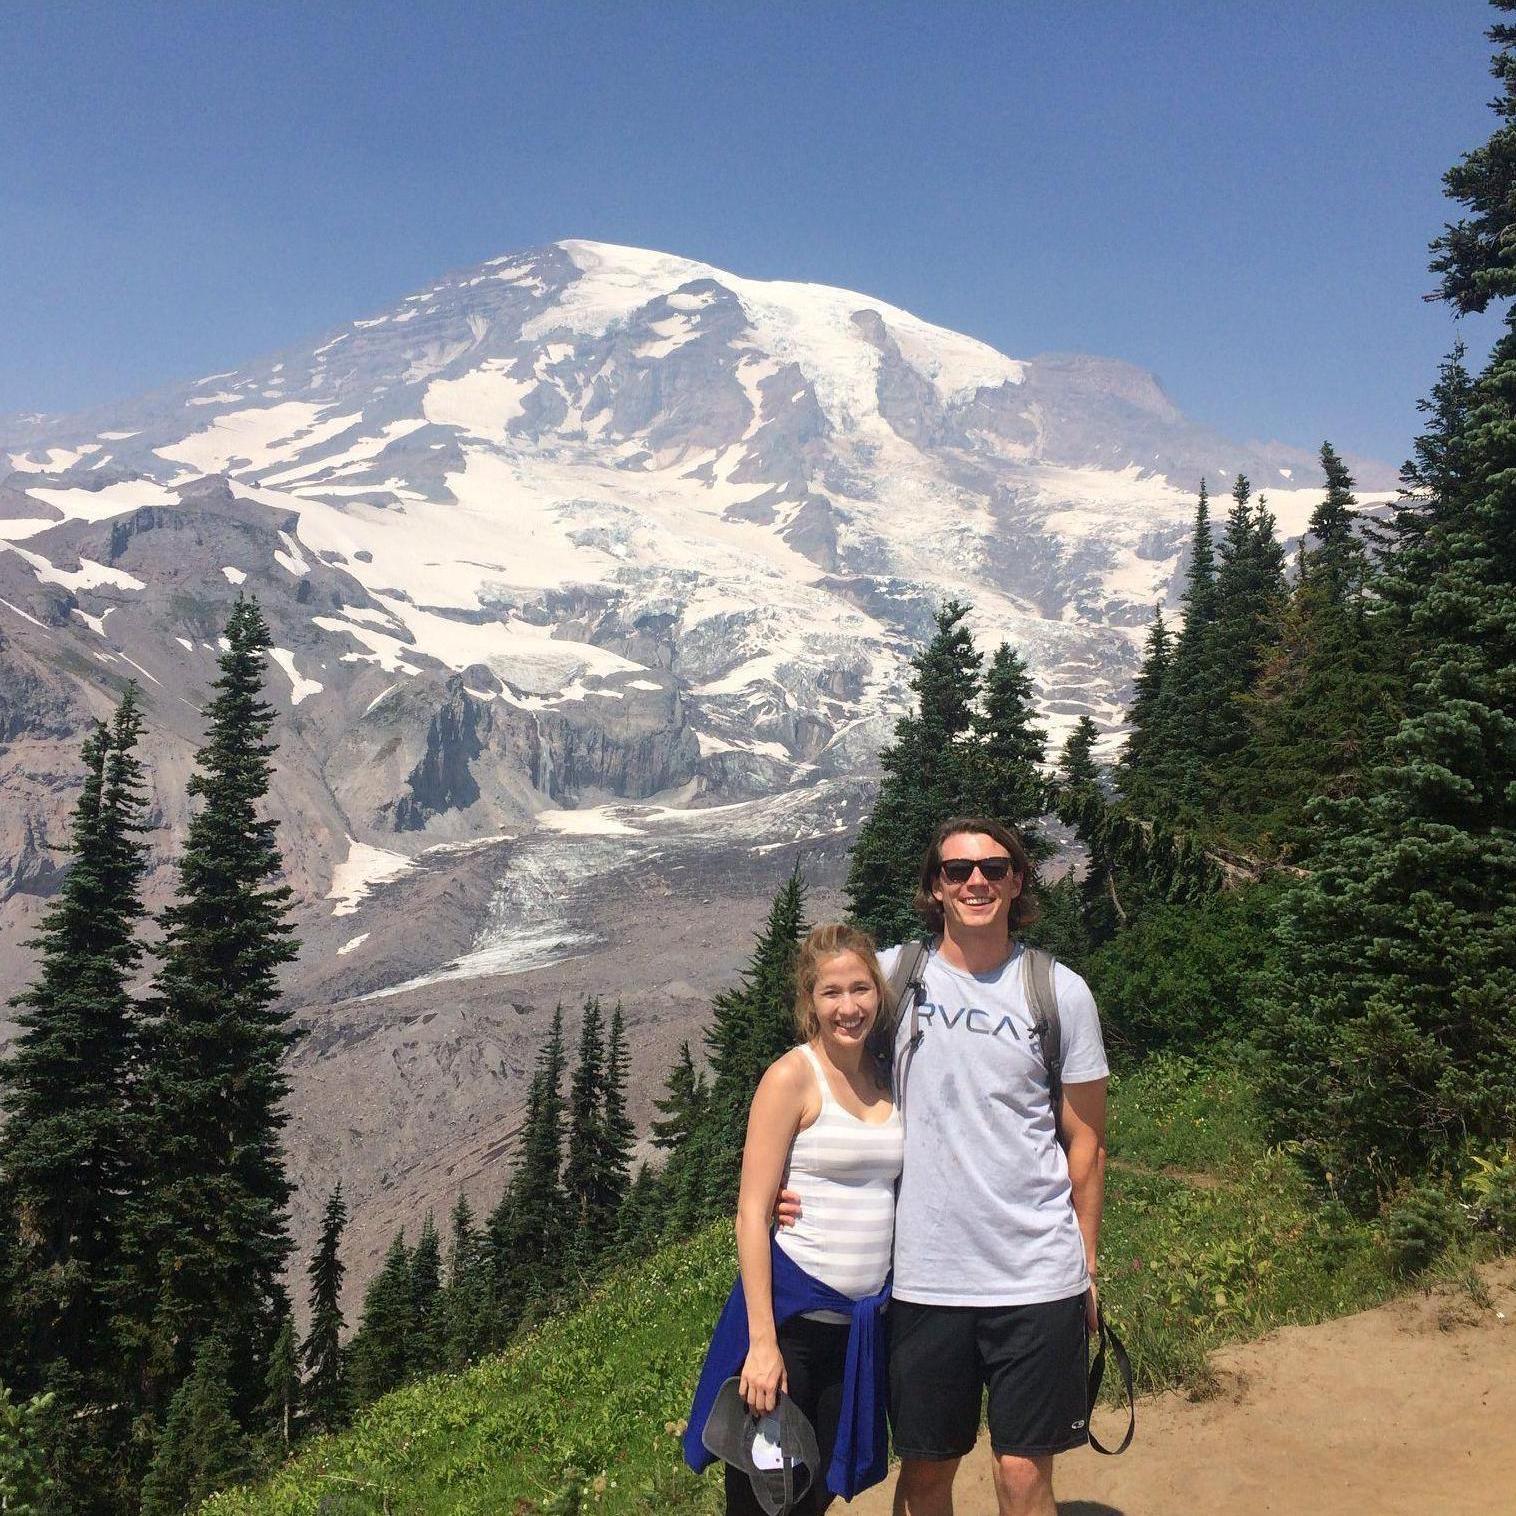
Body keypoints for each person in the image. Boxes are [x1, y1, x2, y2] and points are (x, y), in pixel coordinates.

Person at [782, 817, 1109, 1516]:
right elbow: (822, 1074)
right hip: (926, 1282)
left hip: (1036, 1275)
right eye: (957, 871)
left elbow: (1087, 1142)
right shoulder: (895, 979)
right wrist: (786, 1180)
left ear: (1018, 880)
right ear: (935, 887)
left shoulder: (1060, 992)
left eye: (993, 867)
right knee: (927, 1477)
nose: (976, 881)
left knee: (1023, 1473)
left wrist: (1087, 1265)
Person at [684, 924, 904, 1513]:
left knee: (813, 1500)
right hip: (792, 1329)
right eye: (832, 993)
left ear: (878, 994)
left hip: (858, 1330)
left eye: (860, 989)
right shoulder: (791, 1077)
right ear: (810, 1000)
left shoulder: (887, 1076)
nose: (848, 1007)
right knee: (763, 1500)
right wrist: (763, 1345)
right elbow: (752, 1214)